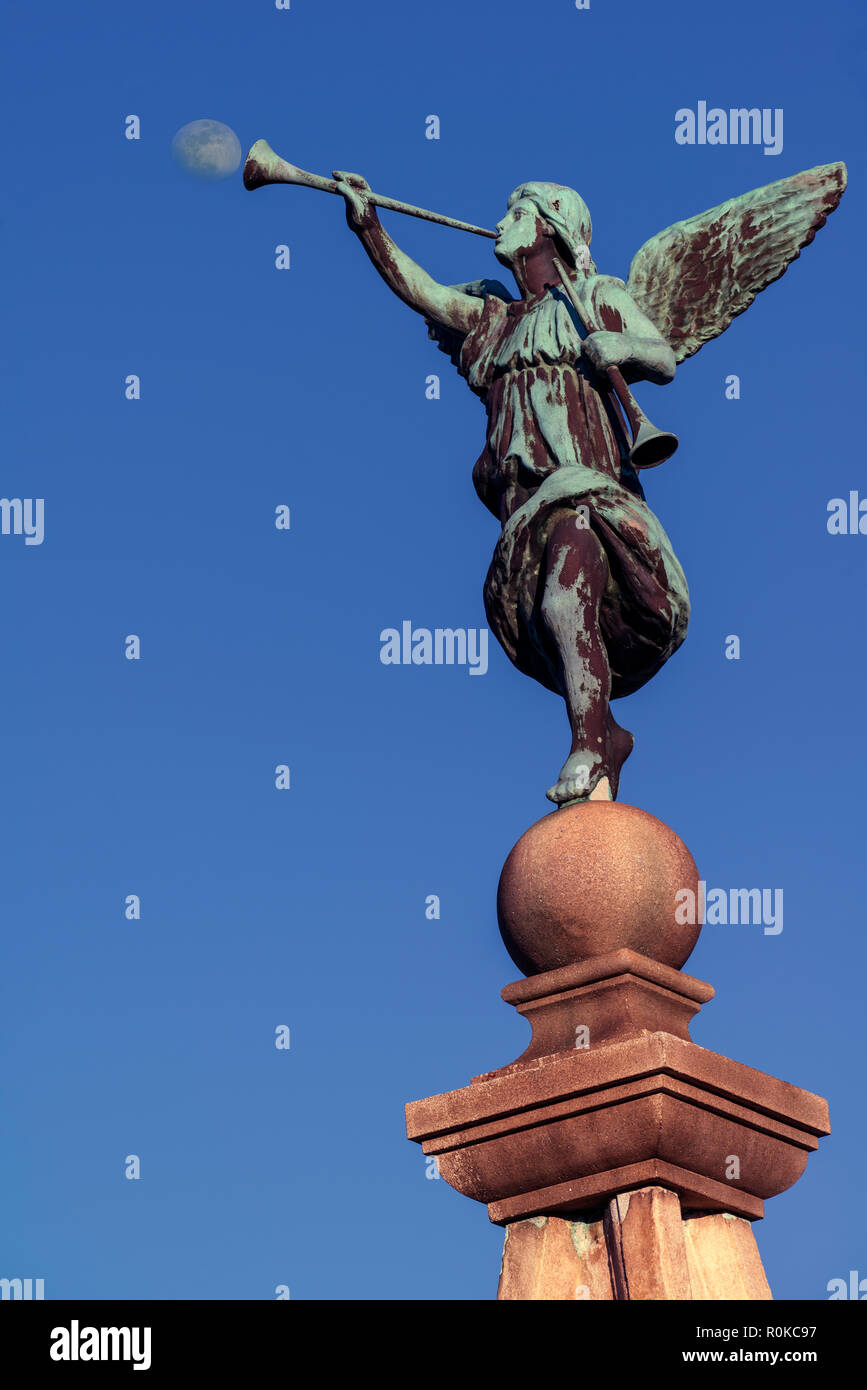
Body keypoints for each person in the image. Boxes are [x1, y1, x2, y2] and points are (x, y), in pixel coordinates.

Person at [334, 171, 690, 805]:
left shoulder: (596, 296)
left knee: (562, 603)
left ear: (545, 227)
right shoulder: (495, 321)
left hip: (587, 489)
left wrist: (621, 344)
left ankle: (587, 743)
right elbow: (425, 294)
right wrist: (369, 226)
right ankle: (605, 731)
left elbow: (661, 358)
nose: (501, 222)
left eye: (515, 212)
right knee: (558, 617)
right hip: (526, 506)